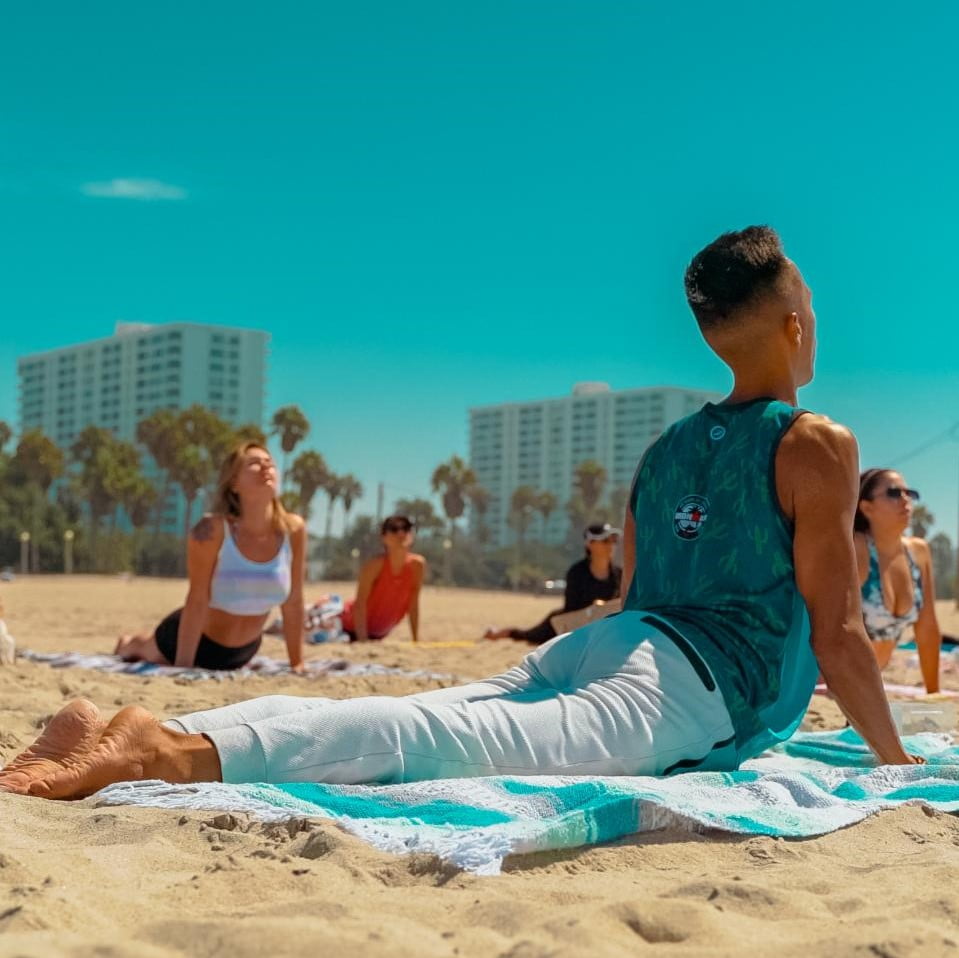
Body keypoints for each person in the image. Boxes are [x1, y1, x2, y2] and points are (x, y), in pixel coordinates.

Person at [0, 225, 921, 802]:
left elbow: (637, 592)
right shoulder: (814, 441)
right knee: (447, 740)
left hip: (609, 643)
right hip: (690, 684)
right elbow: (836, 628)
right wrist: (892, 764)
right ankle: (160, 749)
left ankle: (154, 727)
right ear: (793, 324)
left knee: (431, 709)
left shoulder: (665, 449)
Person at [113, 442, 307, 672]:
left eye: (270, 463)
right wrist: (183, 666)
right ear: (234, 483)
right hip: (188, 642)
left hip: (243, 652)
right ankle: (129, 642)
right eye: (254, 463)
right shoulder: (212, 530)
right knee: (141, 648)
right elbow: (197, 600)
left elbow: (293, 601)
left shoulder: (292, 529)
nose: (266, 467)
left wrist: (297, 663)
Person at [855, 468, 942, 693]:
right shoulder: (856, 549)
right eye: (894, 493)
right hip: (834, 684)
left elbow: (927, 629)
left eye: (908, 493)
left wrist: (933, 694)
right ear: (866, 507)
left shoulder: (918, 552)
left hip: (870, 686)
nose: (905, 499)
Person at [484, 522, 623, 642]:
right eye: (605, 540)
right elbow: (571, 609)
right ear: (590, 544)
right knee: (530, 635)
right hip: (572, 624)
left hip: (604, 627)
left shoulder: (619, 574)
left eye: (614, 540)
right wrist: (595, 608)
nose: (611, 545)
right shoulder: (577, 573)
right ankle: (499, 633)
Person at [340, 515, 426, 642]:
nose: (401, 532)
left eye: (406, 528)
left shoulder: (417, 565)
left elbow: (413, 604)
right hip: (346, 627)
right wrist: (362, 640)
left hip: (376, 635)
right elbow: (360, 604)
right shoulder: (374, 566)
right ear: (383, 537)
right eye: (394, 529)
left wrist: (415, 640)